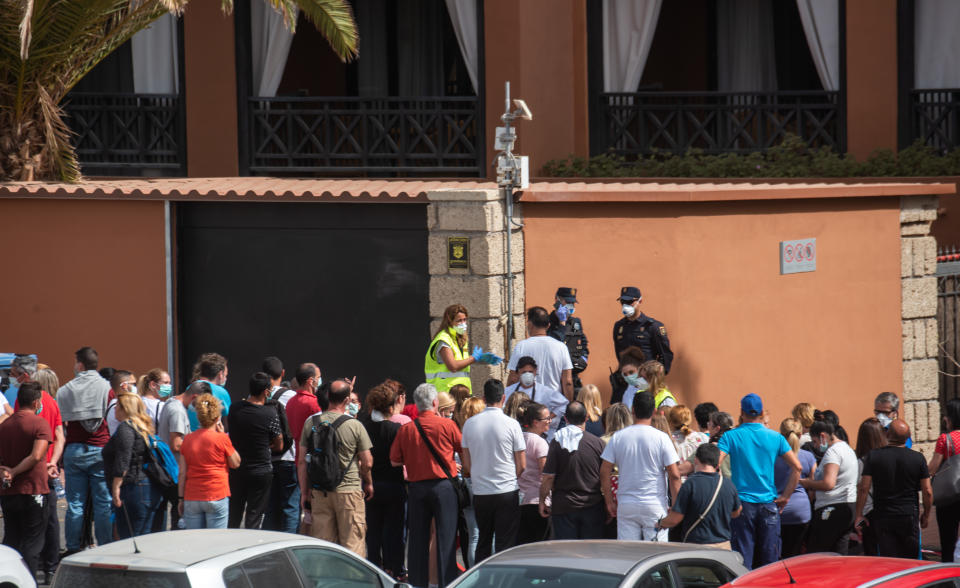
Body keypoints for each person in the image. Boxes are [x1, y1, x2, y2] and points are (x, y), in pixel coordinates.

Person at [390, 383, 463, 588]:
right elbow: (463, 449)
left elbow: (394, 460)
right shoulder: (447, 425)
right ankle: (446, 583)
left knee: (418, 540)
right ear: (434, 403)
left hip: (416, 487)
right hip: (443, 486)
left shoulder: (407, 429)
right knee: (445, 539)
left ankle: (417, 583)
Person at [718, 393, 801, 569]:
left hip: (742, 505)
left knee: (742, 561)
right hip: (768, 505)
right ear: (762, 412)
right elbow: (797, 468)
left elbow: (714, 465)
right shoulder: (776, 437)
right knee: (770, 562)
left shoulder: (730, 437)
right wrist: (786, 496)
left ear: (741, 412)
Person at [299, 378, 373, 556]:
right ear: (347, 400)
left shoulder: (312, 422)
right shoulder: (355, 425)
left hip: (320, 491)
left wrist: (304, 492)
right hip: (349, 492)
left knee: (324, 547)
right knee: (352, 545)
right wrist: (368, 483)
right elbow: (368, 462)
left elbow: (301, 461)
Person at [600, 391, 681, 541]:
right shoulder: (662, 438)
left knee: (628, 554)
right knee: (658, 556)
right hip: (655, 505)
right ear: (654, 411)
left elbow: (604, 471)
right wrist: (677, 507)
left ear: (632, 410)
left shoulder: (618, 437)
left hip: (626, 504)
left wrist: (609, 501)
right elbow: (674, 475)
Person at [10, 356, 64, 581]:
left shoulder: (29, 402)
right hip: (46, 468)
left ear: (24, 375)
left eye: (13, 373)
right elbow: (60, 436)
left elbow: (28, 440)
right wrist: (55, 461)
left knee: (26, 527)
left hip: (32, 471)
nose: (11, 377)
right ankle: (50, 566)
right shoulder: (50, 400)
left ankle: (34, 566)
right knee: (49, 520)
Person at [461, 379, 526, 562]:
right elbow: (522, 464)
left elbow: (466, 464)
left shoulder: (469, 424)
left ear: (483, 398)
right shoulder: (512, 424)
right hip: (506, 491)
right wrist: (510, 478)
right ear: (503, 398)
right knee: (505, 545)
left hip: (481, 492)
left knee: (483, 541)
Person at [56, 346, 113, 552]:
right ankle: (105, 547)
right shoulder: (107, 388)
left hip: (74, 450)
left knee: (75, 504)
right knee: (103, 503)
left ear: (80, 364)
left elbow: (61, 424)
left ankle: (73, 548)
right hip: (99, 449)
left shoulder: (65, 390)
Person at [856, 419, 932, 559]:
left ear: (888, 434)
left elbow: (864, 488)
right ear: (908, 437)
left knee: (888, 559)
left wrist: (859, 515)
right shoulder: (918, 458)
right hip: (909, 514)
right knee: (911, 560)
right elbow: (927, 490)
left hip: (883, 515)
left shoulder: (874, 456)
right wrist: (926, 515)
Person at [0, 382, 52, 577]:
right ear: (37, 401)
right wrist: (14, 471)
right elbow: (36, 455)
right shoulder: (39, 423)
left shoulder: (5, 425)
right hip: (33, 489)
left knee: (12, 537)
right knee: (32, 542)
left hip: (9, 491)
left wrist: (6, 471)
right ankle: (27, 579)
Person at [540, 401, 606, 539]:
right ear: (586, 418)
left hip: (564, 507)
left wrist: (542, 500)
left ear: (565, 419)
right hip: (592, 506)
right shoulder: (598, 443)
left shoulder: (557, 442)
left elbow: (548, 477)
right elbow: (605, 476)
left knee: (567, 554)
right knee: (591, 553)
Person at [657, 443, 741, 548]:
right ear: (717, 462)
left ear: (696, 460)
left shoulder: (690, 484)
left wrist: (661, 523)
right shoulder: (728, 484)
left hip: (697, 547)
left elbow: (675, 519)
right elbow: (736, 512)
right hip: (723, 546)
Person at [102, 393, 162, 538]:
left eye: (117, 406)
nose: (114, 410)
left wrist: (116, 488)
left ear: (125, 408)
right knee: (143, 536)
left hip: (133, 487)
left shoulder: (126, 428)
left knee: (130, 537)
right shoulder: (143, 427)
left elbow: (123, 460)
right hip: (145, 487)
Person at [228, 372, 283, 529]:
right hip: (261, 471)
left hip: (237, 469)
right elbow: (279, 444)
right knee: (254, 516)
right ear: (266, 391)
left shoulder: (235, 409)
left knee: (234, 514)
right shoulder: (270, 413)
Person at [361, 384, 405, 578]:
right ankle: (394, 569)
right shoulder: (397, 429)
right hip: (395, 485)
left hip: (371, 485)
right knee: (394, 531)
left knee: (373, 531)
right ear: (391, 407)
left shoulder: (363, 427)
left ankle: (373, 568)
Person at [178, 393, 240, 529]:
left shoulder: (187, 439)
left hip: (192, 496)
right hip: (217, 493)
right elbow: (235, 463)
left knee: (195, 541)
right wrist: (223, 435)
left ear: (199, 417)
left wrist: (180, 498)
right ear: (217, 417)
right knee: (216, 543)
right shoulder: (221, 439)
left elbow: (182, 473)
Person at [800, 418, 859, 555]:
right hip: (848, 506)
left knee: (818, 553)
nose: (815, 446)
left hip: (831, 508)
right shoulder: (847, 449)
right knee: (839, 552)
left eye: (815, 441)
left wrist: (806, 483)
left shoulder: (833, 453)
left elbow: (828, 483)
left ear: (823, 436)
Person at [158, 379, 205, 530]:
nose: (199, 408)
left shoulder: (172, 402)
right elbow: (177, 444)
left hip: (170, 468)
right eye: (200, 403)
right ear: (194, 397)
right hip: (175, 470)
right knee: (180, 514)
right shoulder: (177, 411)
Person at [261, 356, 300, 534]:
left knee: (270, 508)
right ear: (283, 373)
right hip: (289, 457)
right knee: (290, 507)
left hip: (267, 458)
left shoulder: (257, 396)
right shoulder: (291, 396)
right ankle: (289, 545)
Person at [425, 304, 498, 394]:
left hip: (462, 391)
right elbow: (453, 367)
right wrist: (473, 358)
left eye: (464, 320)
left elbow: (462, 363)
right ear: (449, 321)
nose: (463, 323)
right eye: (459, 321)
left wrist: (480, 358)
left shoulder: (460, 338)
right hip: (445, 393)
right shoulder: (443, 340)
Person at [507, 307, 575, 401]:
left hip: (527, 405)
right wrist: (569, 405)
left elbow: (513, 379)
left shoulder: (521, 346)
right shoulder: (561, 347)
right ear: (548, 325)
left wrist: (507, 402)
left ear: (530, 324)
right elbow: (567, 382)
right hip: (553, 406)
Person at [776, 418, 816, 558]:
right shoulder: (808, 457)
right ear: (800, 435)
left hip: (778, 510)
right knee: (796, 554)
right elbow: (812, 488)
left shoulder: (772, 457)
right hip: (801, 511)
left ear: (781, 435)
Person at [504, 356, 568, 440]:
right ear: (518, 373)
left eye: (530, 371)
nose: (527, 374)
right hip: (513, 435)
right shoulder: (508, 391)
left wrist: (547, 418)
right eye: (524, 372)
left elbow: (564, 404)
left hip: (539, 437)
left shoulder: (546, 392)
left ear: (535, 371)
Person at [612, 285, 673, 371]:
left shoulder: (652, 326)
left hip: (648, 379)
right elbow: (619, 355)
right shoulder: (619, 327)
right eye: (623, 302)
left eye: (629, 302)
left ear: (640, 301)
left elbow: (665, 355)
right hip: (628, 380)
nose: (625, 305)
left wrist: (655, 376)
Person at [517, 401, 551, 544]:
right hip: (538, 500)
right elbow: (546, 475)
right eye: (547, 418)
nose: (550, 421)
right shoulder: (540, 442)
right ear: (535, 422)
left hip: (521, 499)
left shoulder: (520, 439)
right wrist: (544, 500)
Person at [931, 399, 960, 562]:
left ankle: (949, 572)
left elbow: (933, 467)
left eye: (946, 416)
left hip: (949, 495)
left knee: (948, 539)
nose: (944, 419)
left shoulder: (946, 439)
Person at [854, 417, 888, 557]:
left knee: (871, 553)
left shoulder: (861, 461)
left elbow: (861, 489)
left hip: (869, 512)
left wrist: (858, 515)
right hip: (889, 509)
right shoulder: (889, 457)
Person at [547, 287, 589, 391]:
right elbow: (554, 346)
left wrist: (584, 357)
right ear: (557, 301)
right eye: (568, 302)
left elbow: (583, 343)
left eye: (573, 303)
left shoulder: (575, 322)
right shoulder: (547, 323)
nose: (571, 306)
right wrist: (562, 323)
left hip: (573, 379)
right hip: (554, 381)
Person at [285, 363, 323, 464]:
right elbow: (320, 433)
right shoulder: (314, 403)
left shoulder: (290, 402)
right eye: (319, 377)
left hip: (298, 459)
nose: (320, 380)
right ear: (311, 381)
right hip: (314, 461)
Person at [187, 353, 232, 432]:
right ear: (220, 374)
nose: (226, 379)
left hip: (191, 438)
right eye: (226, 375)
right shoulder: (221, 392)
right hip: (211, 438)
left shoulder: (189, 388)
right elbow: (227, 420)